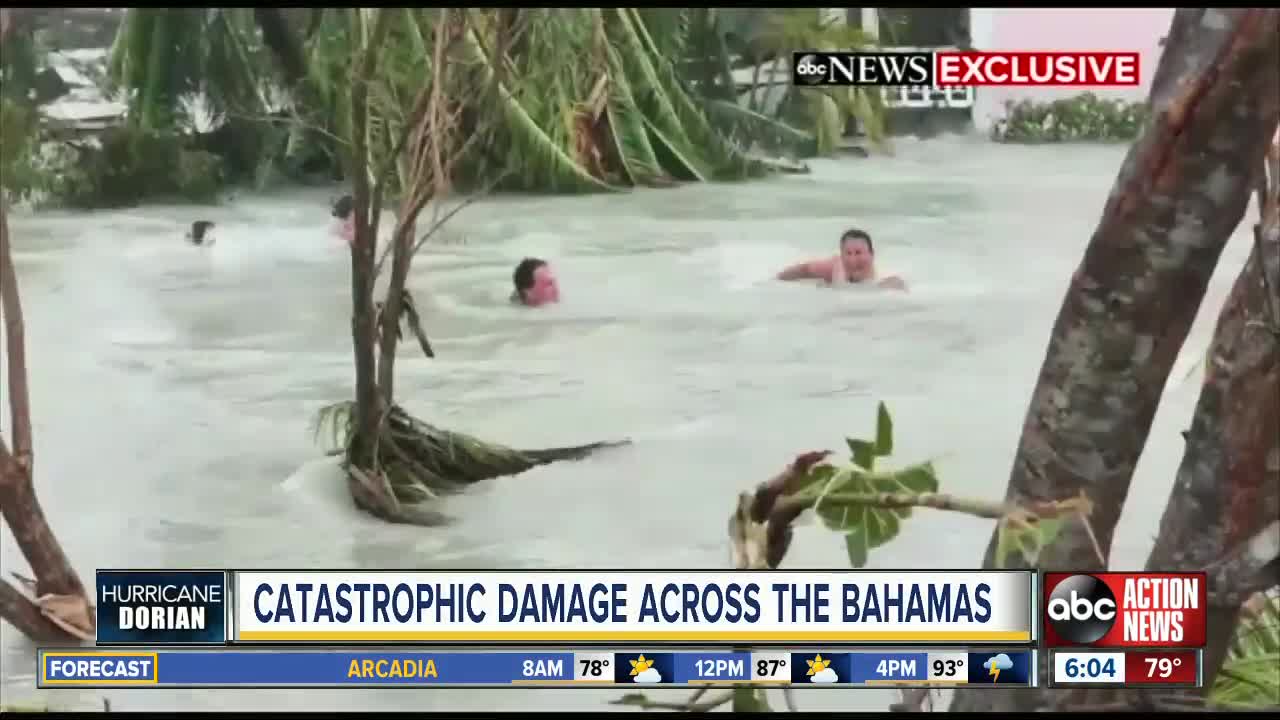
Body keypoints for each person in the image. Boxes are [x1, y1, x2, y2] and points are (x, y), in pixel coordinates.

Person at [777, 228, 906, 290]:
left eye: (858, 253)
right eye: (848, 253)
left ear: (871, 255)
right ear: (841, 255)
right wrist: (775, 282)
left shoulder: (880, 276)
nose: (852, 259)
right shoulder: (836, 267)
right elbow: (805, 269)